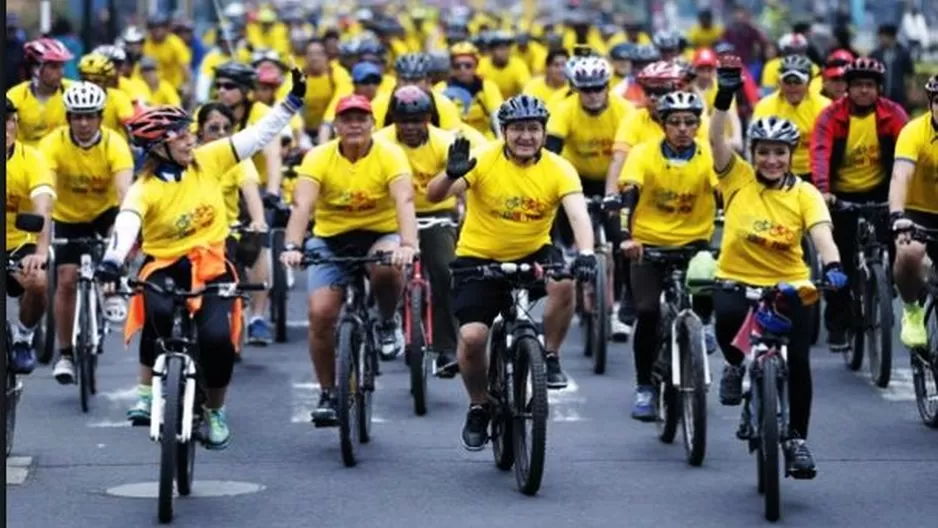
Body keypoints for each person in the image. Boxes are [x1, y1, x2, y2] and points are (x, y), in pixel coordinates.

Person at [93, 68, 308, 448]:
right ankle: (151, 390)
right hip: (164, 264)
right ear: (159, 146)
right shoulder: (144, 188)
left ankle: (215, 411)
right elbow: (127, 223)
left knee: (217, 340)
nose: (190, 138)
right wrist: (112, 260)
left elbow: (257, 136)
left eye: (189, 131)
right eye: (180, 134)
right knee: (155, 313)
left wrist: (290, 103)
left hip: (211, 264)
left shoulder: (210, 159)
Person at [425, 95, 597, 450]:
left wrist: (587, 253)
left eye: (533, 129)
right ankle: (478, 404)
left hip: (534, 251)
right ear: (503, 132)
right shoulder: (484, 158)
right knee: (472, 338)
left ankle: (549, 355)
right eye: (517, 129)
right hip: (477, 256)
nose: (525, 136)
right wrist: (450, 174)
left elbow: (578, 214)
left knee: (565, 281)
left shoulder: (558, 167)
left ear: (543, 132)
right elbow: (433, 195)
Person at [709, 55, 847, 479]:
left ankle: (798, 440)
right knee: (728, 321)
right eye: (764, 152)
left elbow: (821, 233)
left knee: (801, 363)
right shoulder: (737, 177)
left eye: (779, 153)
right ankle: (735, 367)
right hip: (737, 279)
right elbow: (715, 140)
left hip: (790, 283)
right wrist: (725, 94)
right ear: (753, 153)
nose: (771, 160)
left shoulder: (804, 193)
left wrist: (834, 264)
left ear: (791, 155)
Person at [279, 95, 416, 425]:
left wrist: (408, 243)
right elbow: (302, 206)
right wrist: (293, 245)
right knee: (321, 313)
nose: (355, 124)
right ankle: (328, 392)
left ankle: (386, 322)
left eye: (362, 118)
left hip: (379, 234)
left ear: (373, 124)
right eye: (347, 119)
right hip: (331, 239)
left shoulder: (390, 154)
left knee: (387, 267)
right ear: (336, 126)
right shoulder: (319, 157)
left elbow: (405, 200)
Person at [617, 91, 717, 420]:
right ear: (663, 124)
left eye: (690, 122)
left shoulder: (708, 156)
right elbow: (627, 197)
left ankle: (702, 327)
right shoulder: (643, 154)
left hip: (694, 243)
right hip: (648, 243)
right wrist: (626, 237)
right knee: (646, 312)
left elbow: (726, 192)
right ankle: (645, 387)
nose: (683, 129)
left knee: (709, 283)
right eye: (675, 122)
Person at [810, 58, 908, 351]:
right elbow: (820, 153)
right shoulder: (831, 116)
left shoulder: (893, 114)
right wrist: (824, 191)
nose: (863, 91)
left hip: (882, 190)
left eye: (869, 85)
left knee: (897, 244)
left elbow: (907, 154)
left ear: (879, 89)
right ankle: (838, 323)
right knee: (840, 262)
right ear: (847, 89)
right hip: (841, 195)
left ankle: (882, 284)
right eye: (857, 86)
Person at [38, 82, 132, 383]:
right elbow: (46, 194)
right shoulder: (52, 144)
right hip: (67, 216)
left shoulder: (115, 144)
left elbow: (124, 195)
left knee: (120, 232)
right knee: (66, 280)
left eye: (90, 116)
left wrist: (122, 236)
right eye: (77, 116)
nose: (83, 123)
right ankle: (65, 355)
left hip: (104, 214)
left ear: (100, 117)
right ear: (67, 118)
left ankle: (114, 287)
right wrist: (44, 236)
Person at [546, 55, 634, 339]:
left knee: (620, 242)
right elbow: (551, 153)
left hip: (612, 179)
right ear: (575, 88)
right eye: (586, 89)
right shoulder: (564, 109)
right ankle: (570, 249)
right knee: (558, 194)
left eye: (599, 88)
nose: (593, 95)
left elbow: (634, 154)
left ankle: (620, 307)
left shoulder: (624, 110)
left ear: (608, 86)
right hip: (577, 178)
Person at [374, 86, 460, 374]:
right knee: (383, 265)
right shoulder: (379, 144)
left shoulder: (446, 142)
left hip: (437, 214)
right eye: (403, 120)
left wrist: (469, 216)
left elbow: (465, 186)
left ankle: (446, 348)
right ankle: (387, 317)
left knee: (446, 271)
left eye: (417, 119)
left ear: (429, 118)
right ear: (392, 119)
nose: (410, 127)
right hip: (392, 215)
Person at [213, 61, 284, 344]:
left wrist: (274, 192)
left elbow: (273, 156)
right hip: (221, 185)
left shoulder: (262, 114)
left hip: (258, 186)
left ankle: (257, 316)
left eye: (229, 86)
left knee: (259, 241)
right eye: (218, 85)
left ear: (245, 91)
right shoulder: (211, 114)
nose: (222, 91)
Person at [5, 97, 55, 374]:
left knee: (37, 281)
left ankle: (24, 339)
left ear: (15, 124)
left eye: (9, 121)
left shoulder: (32, 160)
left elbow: (43, 205)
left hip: (18, 245)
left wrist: (40, 251)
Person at [888, 75, 938, 348]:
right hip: (917, 211)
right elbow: (901, 176)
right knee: (909, 251)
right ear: (931, 104)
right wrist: (898, 216)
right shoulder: (914, 132)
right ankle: (912, 311)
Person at [752, 55, 831, 181]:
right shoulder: (765, 106)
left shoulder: (824, 106)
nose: (792, 87)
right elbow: (753, 146)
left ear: (808, 82)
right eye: (787, 82)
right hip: (778, 172)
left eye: (798, 82)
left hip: (814, 172)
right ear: (780, 82)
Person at [6, 38, 74, 146]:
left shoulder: (73, 91)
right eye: (54, 67)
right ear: (36, 69)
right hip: (27, 159)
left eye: (62, 66)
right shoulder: (15, 96)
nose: (61, 72)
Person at [434, 41, 503, 139]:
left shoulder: (487, 86)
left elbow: (498, 115)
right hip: (454, 138)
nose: (463, 69)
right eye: (457, 66)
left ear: (476, 65)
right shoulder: (440, 89)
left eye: (468, 65)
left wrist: (501, 141)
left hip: (484, 140)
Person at [870, 24, 915, 108]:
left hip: (899, 95)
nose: (881, 39)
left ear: (891, 37)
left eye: (883, 36)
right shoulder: (875, 54)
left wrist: (911, 91)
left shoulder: (903, 53)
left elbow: (910, 74)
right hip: (880, 95)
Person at [477, 31, 531, 99]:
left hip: (511, 105)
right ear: (491, 51)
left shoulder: (518, 64)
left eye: (506, 48)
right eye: (500, 49)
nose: (504, 52)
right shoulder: (481, 64)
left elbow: (527, 87)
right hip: (487, 104)